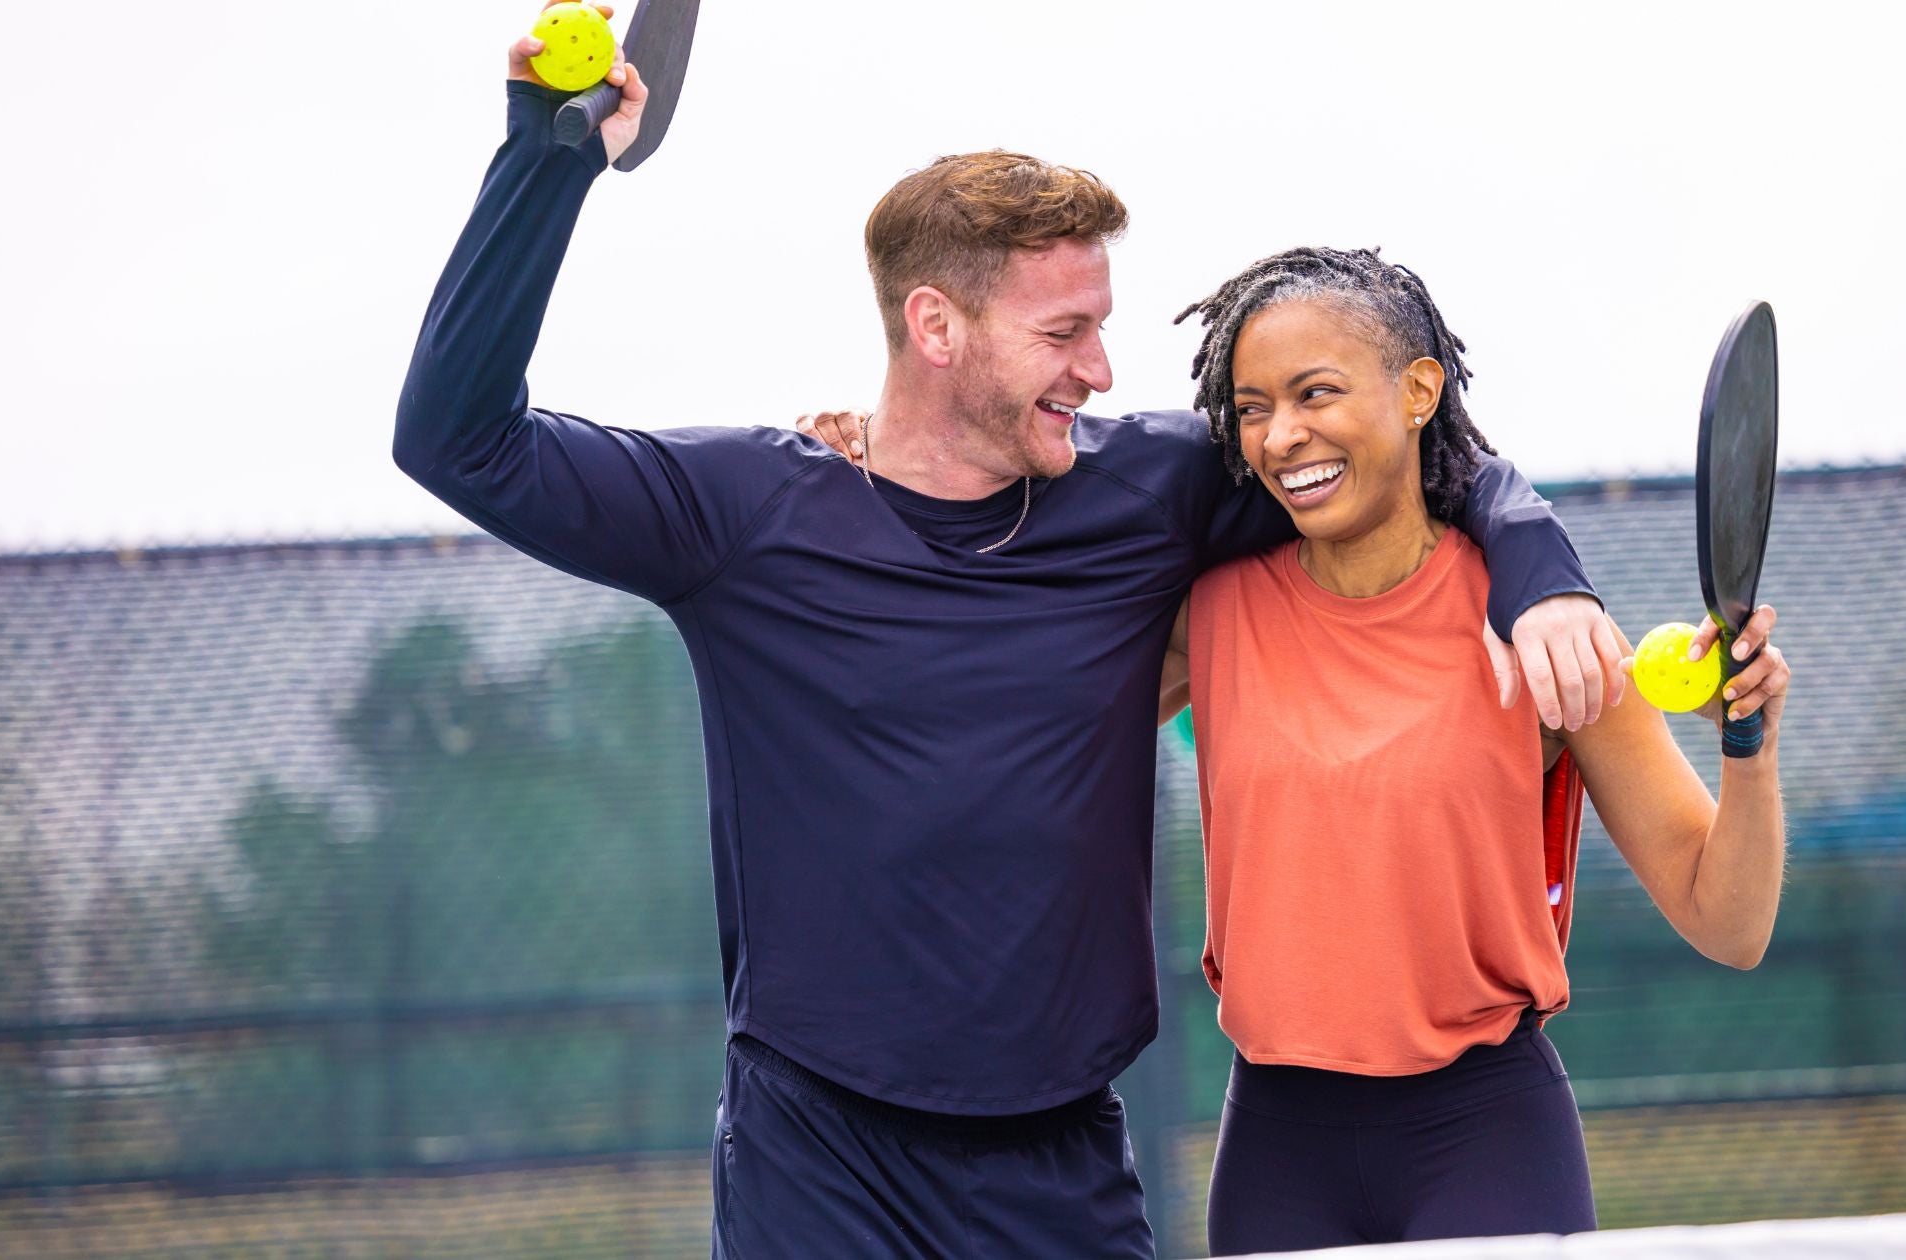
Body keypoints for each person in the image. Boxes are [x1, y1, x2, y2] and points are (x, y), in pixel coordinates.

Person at [394, 10, 1620, 1255]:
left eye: (1098, 324)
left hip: (1059, 1160)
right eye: (1062, 333)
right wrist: (543, 164)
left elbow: (1387, 451)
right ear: (935, 329)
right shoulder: (742, 514)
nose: (1099, 368)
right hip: (814, 1157)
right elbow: (456, 440)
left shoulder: (1147, 492)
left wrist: (1537, 566)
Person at [1152, 246, 1791, 1254]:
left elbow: (1729, 921)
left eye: (1315, 392)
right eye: (1251, 407)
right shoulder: (1209, 617)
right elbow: (1008, 701)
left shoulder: (1549, 636)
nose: (1282, 435)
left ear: (1416, 391)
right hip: (1275, 1146)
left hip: (1483, 1136)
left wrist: (1746, 745)